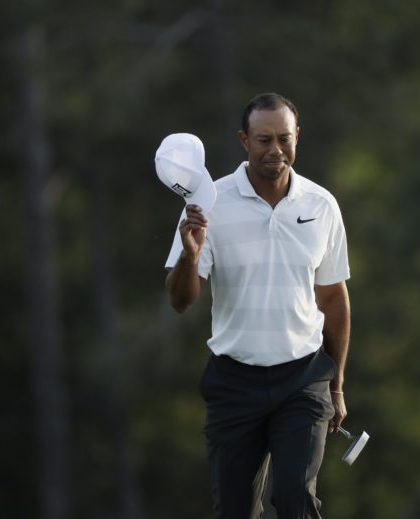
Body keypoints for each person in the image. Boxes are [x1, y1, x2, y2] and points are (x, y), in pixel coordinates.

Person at [164, 92, 351, 519]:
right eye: (264, 140)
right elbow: (180, 301)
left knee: (295, 499)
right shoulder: (208, 204)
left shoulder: (321, 205)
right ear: (244, 140)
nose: (276, 150)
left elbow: (333, 298)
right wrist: (191, 257)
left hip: (303, 379)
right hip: (234, 381)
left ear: (297, 137)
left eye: (284, 139)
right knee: (235, 511)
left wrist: (336, 385)